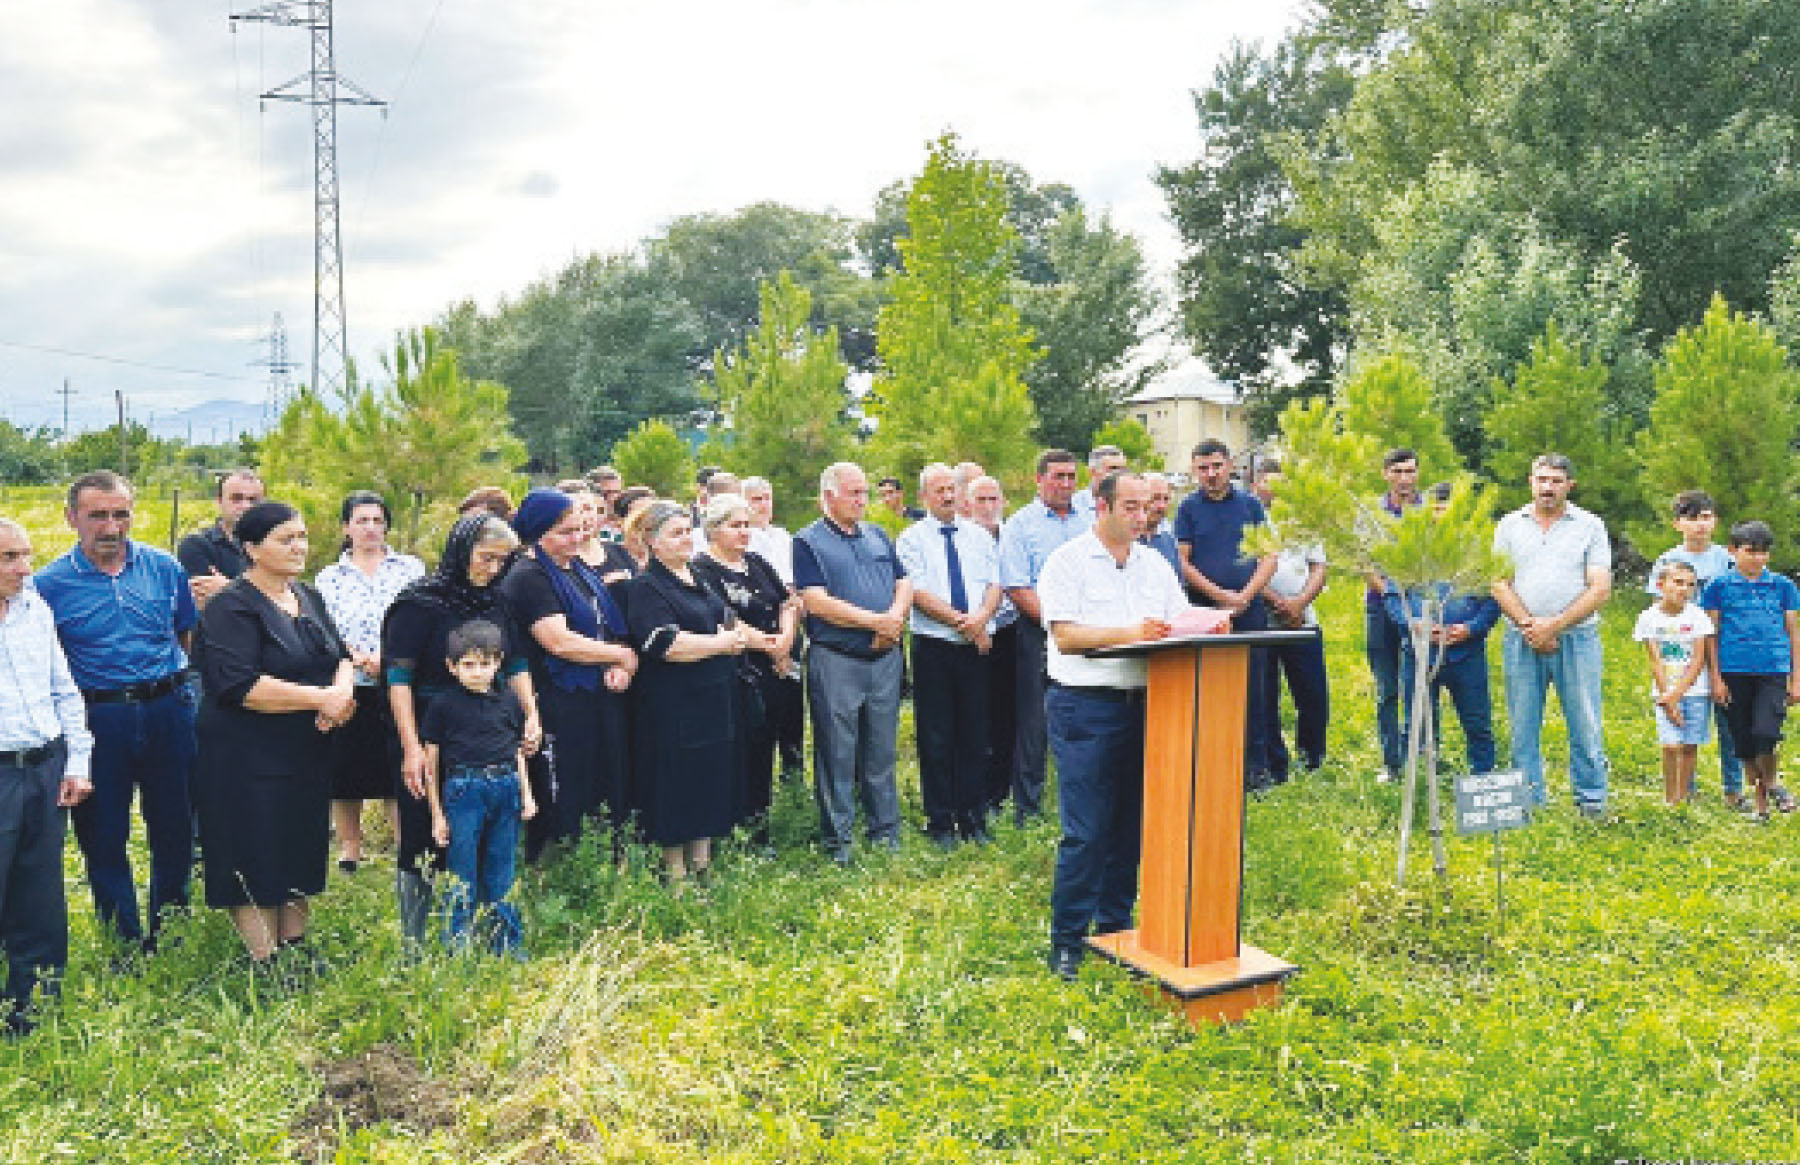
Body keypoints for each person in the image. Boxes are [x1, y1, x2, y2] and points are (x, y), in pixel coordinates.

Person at [35, 471, 197, 952]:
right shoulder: (48, 585)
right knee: (103, 833)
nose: (111, 527)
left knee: (174, 825)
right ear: (72, 519)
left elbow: (183, 633)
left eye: (120, 514)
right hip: (98, 717)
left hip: (168, 709)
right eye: (97, 516)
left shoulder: (164, 568)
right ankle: (122, 938)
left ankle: (170, 930)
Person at [1038, 471, 1190, 982]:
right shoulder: (1068, 563)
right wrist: (1130, 632)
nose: (1140, 516)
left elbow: (1179, 620)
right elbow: (1066, 636)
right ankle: (1068, 941)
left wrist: (1212, 624)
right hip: (1085, 706)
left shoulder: (1156, 566)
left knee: (1130, 824)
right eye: (1129, 506)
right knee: (1086, 830)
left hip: (1148, 703)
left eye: (1145, 507)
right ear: (1101, 508)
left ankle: (1116, 927)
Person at [192, 501, 354, 967]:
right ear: (251, 549)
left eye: (302, 536)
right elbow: (240, 685)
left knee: (298, 844)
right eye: (287, 539)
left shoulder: (306, 595)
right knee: (253, 849)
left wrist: (340, 694)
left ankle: (295, 951)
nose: (300, 546)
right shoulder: (232, 606)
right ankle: (263, 962)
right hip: (245, 755)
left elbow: (340, 655)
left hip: (304, 749)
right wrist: (319, 700)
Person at [383, 514, 540, 955]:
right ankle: (417, 941)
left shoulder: (497, 600)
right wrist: (411, 746)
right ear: (461, 549)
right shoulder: (419, 603)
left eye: (502, 561)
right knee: (424, 834)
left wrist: (530, 715)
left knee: (492, 838)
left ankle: (489, 932)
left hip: (490, 724)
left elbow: (516, 664)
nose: (493, 569)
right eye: (486, 558)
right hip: (431, 726)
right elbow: (398, 678)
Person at [500, 489, 636, 861]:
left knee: (602, 783)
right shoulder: (529, 575)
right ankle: (559, 870)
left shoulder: (575, 567)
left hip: (595, 693)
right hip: (556, 697)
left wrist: (615, 666)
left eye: (579, 530)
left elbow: (602, 625)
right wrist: (621, 656)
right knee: (565, 788)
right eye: (565, 532)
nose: (576, 539)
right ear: (538, 532)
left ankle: (600, 862)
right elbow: (558, 641)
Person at [0, 517, 93, 1035]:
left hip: (44, 767)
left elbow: (64, 690)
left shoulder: (34, 609)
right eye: (11, 558)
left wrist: (77, 762)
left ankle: (33, 1001)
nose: (25, 569)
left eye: (27, 556)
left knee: (39, 887)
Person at [794, 462, 912, 864]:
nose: (863, 501)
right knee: (837, 754)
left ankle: (885, 834)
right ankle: (839, 843)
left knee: (881, 751)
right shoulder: (807, 542)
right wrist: (874, 621)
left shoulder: (878, 535)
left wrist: (893, 619)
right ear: (829, 496)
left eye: (865, 493)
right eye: (854, 493)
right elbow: (815, 601)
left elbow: (903, 582)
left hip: (883, 658)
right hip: (837, 659)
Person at [628, 502, 751, 882]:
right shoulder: (647, 586)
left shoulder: (697, 575)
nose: (686, 539)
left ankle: (703, 864)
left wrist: (731, 636)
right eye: (676, 533)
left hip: (713, 697)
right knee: (676, 785)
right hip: (674, 705)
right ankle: (676, 874)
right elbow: (666, 644)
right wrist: (721, 643)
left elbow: (723, 618)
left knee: (708, 780)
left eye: (688, 531)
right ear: (652, 541)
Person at [1492, 453, 1613, 817]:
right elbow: (1498, 581)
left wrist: (1555, 625)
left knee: (1585, 723)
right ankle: (1527, 802)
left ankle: (1591, 802)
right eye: (1541, 479)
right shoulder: (1510, 526)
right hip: (1521, 639)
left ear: (1569, 486)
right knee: (1522, 726)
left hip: (1577, 639)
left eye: (1556, 481)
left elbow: (1600, 588)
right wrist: (1531, 626)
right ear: (1530, 481)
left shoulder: (1590, 526)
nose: (1547, 487)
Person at [314, 491, 424, 872]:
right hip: (350, 681)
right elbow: (324, 627)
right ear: (346, 527)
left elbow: (419, 621)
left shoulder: (409, 569)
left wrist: (389, 659)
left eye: (378, 521)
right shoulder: (329, 577)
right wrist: (356, 658)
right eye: (362, 521)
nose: (371, 528)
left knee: (394, 762)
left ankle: (404, 841)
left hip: (398, 680)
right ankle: (350, 846)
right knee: (346, 768)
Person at [897, 464, 1003, 848]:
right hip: (935, 647)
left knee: (975, 734)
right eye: (938, 490)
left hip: (974, 648)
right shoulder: (911, 540)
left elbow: (995, 584)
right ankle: (940, 822)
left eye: (951, 489)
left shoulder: (979, 537)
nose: (946, 496)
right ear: (924, 497)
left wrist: (981, 621)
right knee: (937, 736)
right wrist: (967, 623)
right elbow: (919, 593)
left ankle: (972, 818)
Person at [423, 619, 536, 954]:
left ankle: (506, 943)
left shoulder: (508, 701)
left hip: (506, 785)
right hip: (464, 790)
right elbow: (431, 762)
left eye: (485, 664)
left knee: (502, 867)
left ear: (498, 662)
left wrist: (526, 794)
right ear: (452, 667)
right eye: (468, 665)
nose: (477, 672)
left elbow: (517, 750)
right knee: (462, 871)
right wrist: (437, 815)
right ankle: (457, 945)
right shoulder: (442, 705)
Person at [692, 494, 799, 843]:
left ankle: (760, 827)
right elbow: (724, 618)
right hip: (736, 671)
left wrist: (784, 640)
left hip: (775, 668)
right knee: (740, 751)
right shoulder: (702, 569)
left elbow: (789, 602)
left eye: (746, 525)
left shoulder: (756, 561)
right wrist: (771, 646)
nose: (744, 532)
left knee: (765, 749)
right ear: (713, 529)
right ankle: (735, 830)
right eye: (735, 526)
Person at [1174, 439, 1279, 788]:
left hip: (1249, 611)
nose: (1211, 474)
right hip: (1204, 612)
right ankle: (1214, 766)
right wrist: (1220, 597)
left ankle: (1256, 770)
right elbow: (1183, 561)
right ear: (1194, 470)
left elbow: (1268, 556)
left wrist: (1244, 597)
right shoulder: (1188, 508)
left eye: (1216, 466)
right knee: (1210, 689)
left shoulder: (1250, 505)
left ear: (1229, 465)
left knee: (1255, 689)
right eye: (1203, 468)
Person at [1644, 490, 1758, 810]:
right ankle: (1684, 790)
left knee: (1730, 720)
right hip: (1683, 651)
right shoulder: (1667, 561)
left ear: (1715, 521)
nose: (1700, 525)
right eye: (1692, 518)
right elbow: (1658, 613)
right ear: (1678, 524)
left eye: (1706, 518)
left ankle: (1734, 790)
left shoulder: (1726, 559)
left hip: (1725, 648)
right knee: (1686, 722)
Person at [1383, 486, 1500, 778]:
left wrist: (1471, 629)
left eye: (1446, 508)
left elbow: (1496, 598)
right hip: (1420, 653)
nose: (1440, 514)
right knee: (1417, 723)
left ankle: (1482, 780)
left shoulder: (1478, 550)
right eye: (1434, 508)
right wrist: (1413, 624)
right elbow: (1391, 595)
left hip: (1466, 653)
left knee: (1477, 723)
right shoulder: (1409, 548)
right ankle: (1419, 783)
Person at [999, 449, 1091, 824]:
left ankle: (1080, 799)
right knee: (1034, 724)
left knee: (1085, 716)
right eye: (1058, 476)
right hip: (1039, 631)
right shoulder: (1020, 525)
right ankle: (1029, 808)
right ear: (1039, 479)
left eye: (1071, 476)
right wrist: (1057, 626)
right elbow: (1018, 587)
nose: (1066, 484)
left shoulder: (1088, 521)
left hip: (1089, 634)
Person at [1703, 521, 1800, 823]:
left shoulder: (1782, 586)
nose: (1757, 558)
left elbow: (1793, 632)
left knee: (1766, 732)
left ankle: (1771, 783)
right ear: (1733, 551)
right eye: (1750, 552)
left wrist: (1796, 679)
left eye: (1763, 553)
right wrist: (1716, 678)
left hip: (1772, 668)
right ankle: (1761, 804)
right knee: (1743, 741)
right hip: (1734, 669)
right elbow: (1711, 634)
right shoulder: (1718, 587)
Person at [1253, 462, 1330, 776]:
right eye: (1268, 483)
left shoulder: (1304, 519)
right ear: (1256, 484)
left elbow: (1319, 567)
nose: (1275, 490)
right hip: (1263, 624)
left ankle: (1312, 759)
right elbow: (1246, 570)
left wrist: (1298, 604)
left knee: (1313, 695)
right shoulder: (1249, 519)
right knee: (1266, 698)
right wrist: (1277, 603)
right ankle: (1275, 764)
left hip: (1303, 622)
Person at [1636, 560, 1715, 807]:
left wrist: (1678, 694)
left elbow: (1699, 659)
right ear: (1661, 585)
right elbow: (1655, 660)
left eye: (1690, 585)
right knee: (1671, 746)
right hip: (1664, 692)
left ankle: (1683, 797)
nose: (1684, 589)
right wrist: (1668, 698)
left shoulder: (1698, 617)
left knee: (1690, 746)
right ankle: (1670, 798)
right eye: (1678, 582)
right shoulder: (1648, 618)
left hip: (1696, 691)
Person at [1366, 448, 1421, 782]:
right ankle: (1392, 762)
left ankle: (1423, 754)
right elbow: (1365, 563)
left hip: (1420, 608)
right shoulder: (1372, 514)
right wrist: (1390, 595)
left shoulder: (1427, 510)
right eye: (1398, 471)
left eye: (1410, 471)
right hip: (1380, 608)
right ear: (1386, 473)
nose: (1405, 479)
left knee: (1420, 684)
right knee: (1387, 687)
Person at [968, 474, 1019, 821]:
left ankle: (1001, 794)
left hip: (1011, 632)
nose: (988, 507)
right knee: (976, 718)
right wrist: (978, 625)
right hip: (972, 633)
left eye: (993, 499)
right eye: (981, 500)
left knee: (1007, 717)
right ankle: (976, 794)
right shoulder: (964, 539)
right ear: (966, 505)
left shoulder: (1011, 536)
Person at [177, 468, 265, 610]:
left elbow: (285, 602)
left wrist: (227, 588)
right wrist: (258, 596)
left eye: (253, 500)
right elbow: (209, 606)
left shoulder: (275, 546)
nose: (245, 506)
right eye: (236, 499)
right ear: (219, 501)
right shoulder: (196, 546)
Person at [1139, 472, 1182, 577]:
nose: (1161, 506)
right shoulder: (1124, 542)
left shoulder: (1169, 542)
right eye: (1155, 498)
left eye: (1166, 499)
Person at [1071, 445, 1127, 521]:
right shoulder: (1074, 506)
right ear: (1092, 472)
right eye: (1113, 469)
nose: (1120, 474)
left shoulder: (1130, 505)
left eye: (1123, 469)